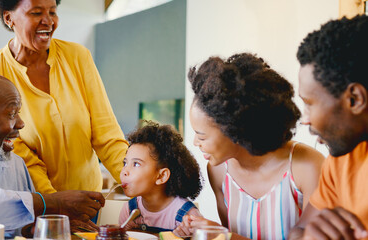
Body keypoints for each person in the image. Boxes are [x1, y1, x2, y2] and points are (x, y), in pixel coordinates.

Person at [0, 0, 128, 193]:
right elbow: (20, 155)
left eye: (52, 12)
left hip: (89, 199)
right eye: (36, 13)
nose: (48, 21)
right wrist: (56, 204)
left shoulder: (77, 57)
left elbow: (107, 135)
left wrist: (135, 181)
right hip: (37, 206)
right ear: (9, 18)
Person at [0, 70, 105, 238]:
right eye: (12, 114)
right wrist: (53, 203)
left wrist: (38, 227)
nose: (21, 123)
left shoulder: (14, 164)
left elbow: (21, 222)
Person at [181, 53, 325, 240]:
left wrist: (225, 237)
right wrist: (206, 230)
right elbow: (230, 234)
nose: (195, 143)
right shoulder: (218, 172)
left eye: (201, 136)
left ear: (234, 129)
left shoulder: (307, 167)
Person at [288, 15, 368, 240]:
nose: (305, 120)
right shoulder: (342, 159)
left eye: (310, 104)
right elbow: (300, 232)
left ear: (354, 99)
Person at [119, 121, 203, 236]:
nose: (124, 171)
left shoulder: (185, 217)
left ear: (161, 176)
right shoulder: (129, 210)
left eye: (136, 164)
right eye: (125, 163)